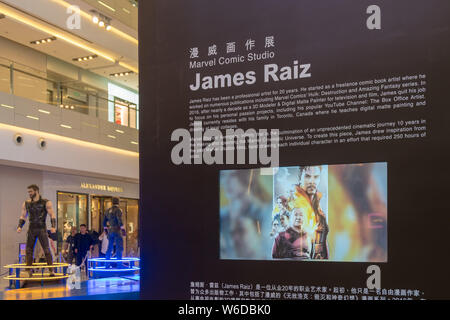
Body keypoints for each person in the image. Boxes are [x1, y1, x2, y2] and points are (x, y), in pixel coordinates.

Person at [17, 184, 56, 277]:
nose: (29, 193)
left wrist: (53, 226)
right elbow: (23, 216)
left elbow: (52, 215)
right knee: (28, 250)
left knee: (46, 249)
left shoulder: (46, 202)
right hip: (31, 228)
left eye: (31, 191)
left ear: (36, 191)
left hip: (42, 228)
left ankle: (51, 270)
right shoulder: (26, 203)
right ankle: (28, 270)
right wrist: (20, 226)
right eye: (28, 192)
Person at [293, 166, 329, 259]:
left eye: (316, 177)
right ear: (300, 177)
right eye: (307, 176)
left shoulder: (317, 204)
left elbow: (322, 240)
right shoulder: (292, 203)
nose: (312, 181)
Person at [103, 197, 126, 268]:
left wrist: (106, 230)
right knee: (119, 247)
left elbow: (104, 222)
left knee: (109, 247)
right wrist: (123, 229)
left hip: (110, 231)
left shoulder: (107, 210)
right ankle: (119, 264)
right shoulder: (118, 210)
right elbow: (119, 220)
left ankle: (107, 264)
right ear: (118, 202)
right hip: (117, 230)